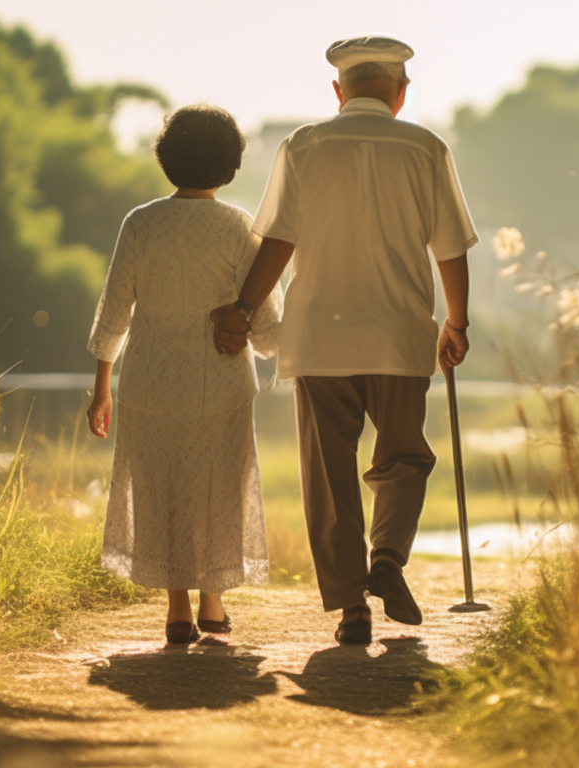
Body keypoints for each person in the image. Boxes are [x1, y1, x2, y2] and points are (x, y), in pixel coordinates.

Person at [211, 35, 476, 645]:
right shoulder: (426, 148)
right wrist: (455, 323)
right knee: (404, 455)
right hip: (399, 334)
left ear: (338, 92)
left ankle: (351, 606)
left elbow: (278, 238)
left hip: (321, 335)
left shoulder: (303, 145)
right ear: (401, 93)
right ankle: (386, 557)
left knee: (329, 471)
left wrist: (244, 309)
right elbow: (451, 247)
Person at [87, 104, 283, 646]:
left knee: (159, 490)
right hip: (218, 386)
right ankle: (212, 602)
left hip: (148, 382)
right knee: (217, 490)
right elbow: (266, 322)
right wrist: (270, 343)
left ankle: (177, 610)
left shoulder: (140, 223)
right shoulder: (238, 226)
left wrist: (102, 388)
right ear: (231, 165)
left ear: (167, 159)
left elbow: (113, 313)